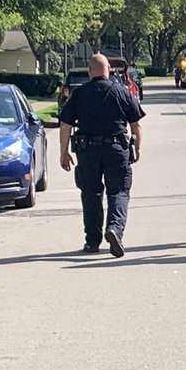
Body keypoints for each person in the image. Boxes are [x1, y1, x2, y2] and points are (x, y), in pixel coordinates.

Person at [58, 53, 145, 257]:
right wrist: (137, 147)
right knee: (119, 192)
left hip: (87, 152)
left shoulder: (79, 94)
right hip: (116, 150)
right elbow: (136, 124)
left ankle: (92, 242)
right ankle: (115, 229)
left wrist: (63, 153)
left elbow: (65, 125)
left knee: (91, 195)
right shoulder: (122, 91)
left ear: (90, 72)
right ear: (109, 71)